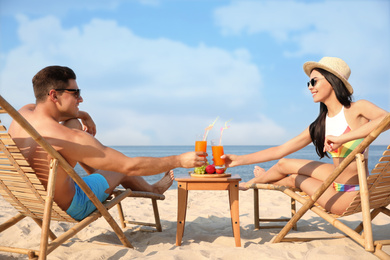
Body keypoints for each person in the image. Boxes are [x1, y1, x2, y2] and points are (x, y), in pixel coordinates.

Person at [8, 65, 208, 221]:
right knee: (121, 168)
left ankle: (98, 172)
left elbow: (51, 115)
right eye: (75, 93)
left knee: (73, 122)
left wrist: (82, 115)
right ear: (54, 95)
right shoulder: (70, 139)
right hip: (70, 205)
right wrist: (179, 160)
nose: (81, 99)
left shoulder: (21, 113)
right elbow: (131, 165)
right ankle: (153, 189)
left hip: (28, 201)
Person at [223, 57, 389, 215]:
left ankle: (257, 181)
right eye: (308, 83)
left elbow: (386, 119)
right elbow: (281, 150)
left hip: (349, 196)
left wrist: (342, 139)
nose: (310, 87)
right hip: (335, 182)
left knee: (294, 178)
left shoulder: (357, 108)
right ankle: (266, 178)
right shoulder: (320, 124)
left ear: (332, 81)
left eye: (314, 81)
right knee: (284, 164)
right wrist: (239, 160)